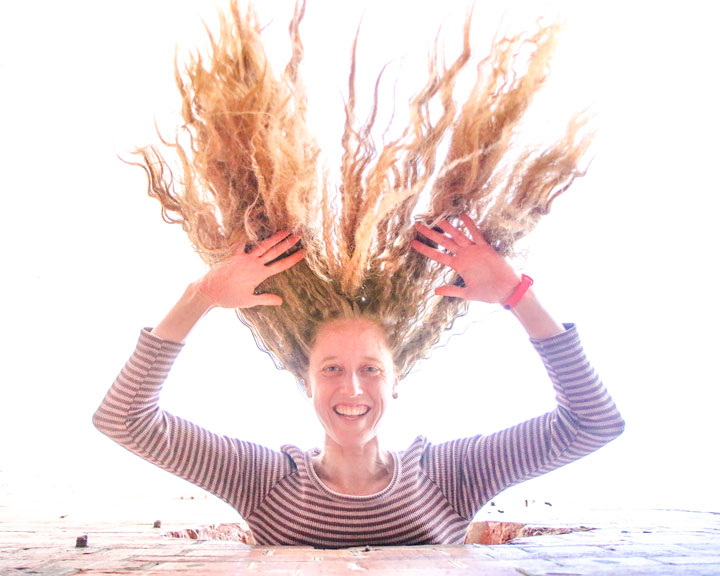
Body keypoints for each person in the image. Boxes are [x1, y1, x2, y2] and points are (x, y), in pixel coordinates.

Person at [94, 0, 623, 548]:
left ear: (397, 380)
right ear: (306, 381)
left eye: (371, 368)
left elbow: (594, 424)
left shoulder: (450, 476)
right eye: (332, 369)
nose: (352, 387)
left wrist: (517, 294)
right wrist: (200, 296)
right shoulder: (265, 482)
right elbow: (123, 421)